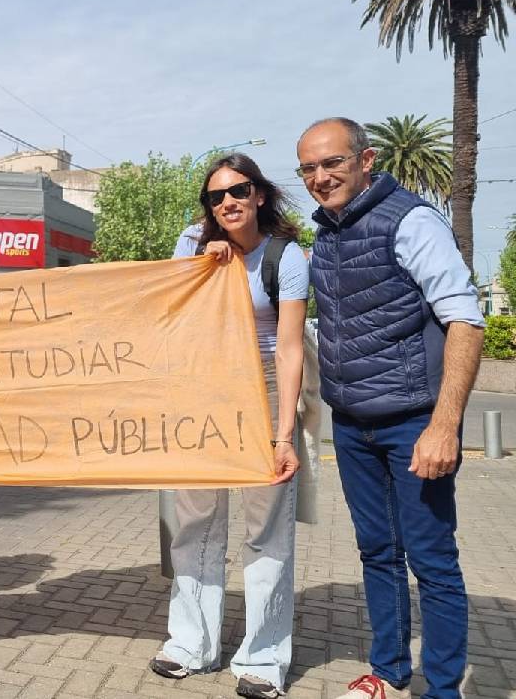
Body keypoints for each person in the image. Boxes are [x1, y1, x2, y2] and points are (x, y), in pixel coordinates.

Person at [297, 118, 484, 699]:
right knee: (377, 554)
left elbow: (465, 322)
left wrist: (443, 426)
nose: (321, 177)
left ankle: (444, 688)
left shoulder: (411, 220)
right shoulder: (325, 233)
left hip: (412, 424)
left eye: (332, 163)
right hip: (352, 425)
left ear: (366, 159)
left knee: (432, 562)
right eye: (308, 168)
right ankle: (387, 672)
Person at [150, 154, 308, 699]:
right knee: (193, 523)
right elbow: (172, 318)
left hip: (262, 390)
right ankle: (190, 643)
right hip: (203, 392)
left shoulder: (287, 256)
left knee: (265, 529)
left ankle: (263, 658)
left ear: (259, 194)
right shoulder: (191, 243)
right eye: (216, 197)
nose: (227, 203)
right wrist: (204, 268)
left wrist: (284, 434)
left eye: (238, 191)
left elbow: (290, 350)